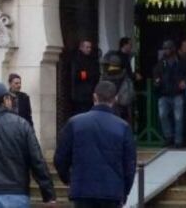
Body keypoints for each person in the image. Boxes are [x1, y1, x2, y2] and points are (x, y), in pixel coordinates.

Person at [54, 80, 137, 208]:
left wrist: (69, 180)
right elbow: (129, 165)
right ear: (115, 99)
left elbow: (60, 159)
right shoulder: (123, 127)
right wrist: (124, 192)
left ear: (94, 97)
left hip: (83, 190)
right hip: (112, 192)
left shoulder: (75, 123)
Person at [152, 40, 185, 148]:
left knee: (178, 118)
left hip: (177, 93)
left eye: (168, 48)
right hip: (164, 94)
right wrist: (157, 80)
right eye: (165, 48)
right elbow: (156, 73)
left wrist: (184, 81)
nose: (166, 50)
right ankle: (168, 137)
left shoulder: (180, 61)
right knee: (162, 116)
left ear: (173, 49)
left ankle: (178, 140)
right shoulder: (161, 62)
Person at [98, 50, 133, 123]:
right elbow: (127, 96)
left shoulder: (104, 77)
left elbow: (99, 92)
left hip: (107, 108)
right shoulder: (125, 77)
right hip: (121, 109)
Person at [69, 40, 100, 117]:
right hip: (80, 95)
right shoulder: (77, 60)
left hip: (89, 94)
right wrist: (88, 74)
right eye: (87, 47)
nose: (89, 49)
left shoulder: (91, 60)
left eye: (90, 47)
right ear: (81, 48)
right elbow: (80, 75)